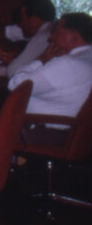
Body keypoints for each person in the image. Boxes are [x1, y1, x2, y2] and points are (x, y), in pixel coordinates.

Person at [9, 12, 92, 146]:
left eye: (57, 32)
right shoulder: (87, 58)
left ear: (74, 37)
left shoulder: (66, 64)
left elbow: (15, 85)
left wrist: (42, 59)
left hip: (47, 135)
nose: (51, 37)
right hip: (76, 137)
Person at [0, 0, 56, 78]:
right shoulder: (50, 29)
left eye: (22, 20)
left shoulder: (43, 36)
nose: (20, 26)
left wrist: (10, 60)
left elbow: (13, 71)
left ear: (34, 20)